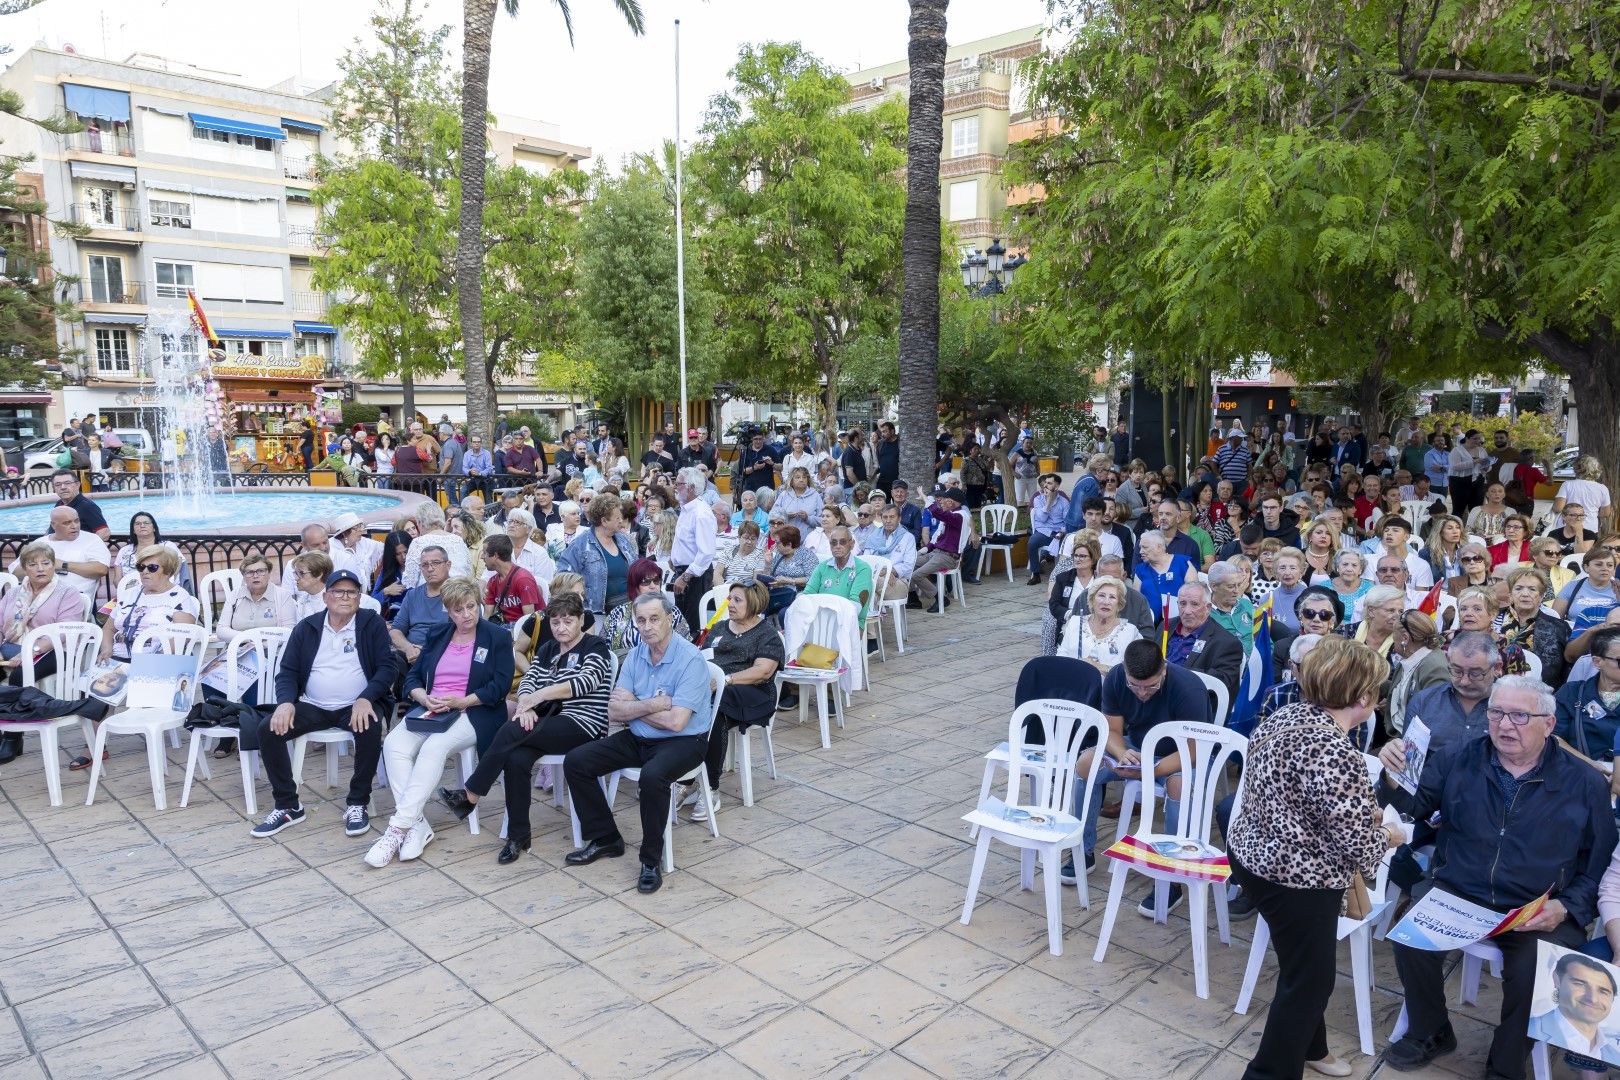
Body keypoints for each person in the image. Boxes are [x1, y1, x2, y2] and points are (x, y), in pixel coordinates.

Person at [1381, 677, 1617, 1077]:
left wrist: (1566, 906)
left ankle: (1505, 1064)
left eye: (1519, 716)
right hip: (1460, 889)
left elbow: (1597, 866)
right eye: (1496, 713)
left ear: (1549, 723)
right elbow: (1413, 809)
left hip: (1536, 906)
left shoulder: (1585, 783)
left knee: (1535, 972)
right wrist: (1394, 775)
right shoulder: (1458, 757)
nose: (1505, 725)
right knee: (1410, 935)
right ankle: (1431, 1029)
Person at [1227, 636, 1400, 1078]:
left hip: (1252, 856)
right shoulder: (1333, 749)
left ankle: (1314, 1048)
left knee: (1301, 966)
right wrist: (1390, 834)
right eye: (1377, 692)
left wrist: (1362, 814)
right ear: (1363, 697)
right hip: (1296, 879)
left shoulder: (1286, 715)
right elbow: (1360, 843)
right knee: (1310, 981)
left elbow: (1300, 799)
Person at [437, 591, 610, 862]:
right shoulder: (548, 649)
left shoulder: (595, 646)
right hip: (547, 722)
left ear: (580, 621)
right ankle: (518, 836)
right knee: (515, 757)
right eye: (555, 623)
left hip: (584, 723)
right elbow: (529, 681)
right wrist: (526, 704)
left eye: (568, 622)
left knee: (511, 731)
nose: (561, 628)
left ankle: (471, 794)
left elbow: (584, 683)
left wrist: (538, 697)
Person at [562, 591, 714, 894]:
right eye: (641, 620)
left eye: (654, 618)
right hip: (640, 737)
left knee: (653, 776)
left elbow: (676, 722)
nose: (647, 626)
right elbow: (615, 710)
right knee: (577, 761)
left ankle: (650, 860)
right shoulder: (636, 654)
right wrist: (654, 704)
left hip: (684, 742)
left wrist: (636, 706)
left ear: (670, 619)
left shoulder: (690, 660)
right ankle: (606, 838)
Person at [360, 578, 514, 867]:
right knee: (393, 744)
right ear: (448, 612)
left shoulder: (497, 637)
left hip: (473, 711)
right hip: (432, 709)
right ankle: (416, 826)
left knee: (434, 748)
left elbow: (500, 686)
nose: (466, 614)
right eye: (458, 610)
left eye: (471, 607)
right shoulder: (439, 634)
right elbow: (413, 677)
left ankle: (395, 831)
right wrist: (423, 696)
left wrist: (463, 701)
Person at [250, 570, 401, 839]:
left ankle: (357, 802)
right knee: (267, 729)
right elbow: (287, 672)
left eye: (352, 592)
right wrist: (285, 703)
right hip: (313, 704)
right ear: (326, 596)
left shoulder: (371, 623)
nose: (345, 597)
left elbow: (387, 668)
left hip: (357, 703)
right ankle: (288, 805)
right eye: (339, 591)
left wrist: (367, 697)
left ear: (359, 597)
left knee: (369, 726)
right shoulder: (307, 627)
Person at [1061, 639, 1209, 901]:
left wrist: (1149, 770)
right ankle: (1082, 850)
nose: (1141, 693)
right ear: (1125, 671)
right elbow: (1112, 731)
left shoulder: (1188, 689)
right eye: (1135, 686)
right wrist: (1122, 754)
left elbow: (1195, 751)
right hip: (1138, 747)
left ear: (1163, 669)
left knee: (1178, 785)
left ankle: (1170, 876)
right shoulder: (1118, 677)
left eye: (1150, 686)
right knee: (1085, 764)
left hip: (1179, 755)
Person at [692, 582, 784, 822]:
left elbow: (762, 672)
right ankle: (689, 778)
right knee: (699, 706)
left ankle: (709, 787)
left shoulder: (767, 635)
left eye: (737, 600)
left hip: (754, 693)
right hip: (715, 692)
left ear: (753, 604)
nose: (729, 604)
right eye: (730, 599)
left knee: (716, 706)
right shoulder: (719, 627)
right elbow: (699, 656)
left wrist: (726, 680)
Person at [1526, 953, 1620, 1068]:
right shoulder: (1531, 1026)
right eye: (1580, 984)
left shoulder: (1612, 1052)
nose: (1593, 999)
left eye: (1603, 991)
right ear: (1557, 980)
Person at [557, 492, 635, 617]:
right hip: (596, 613)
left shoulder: (624, 540)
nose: (622, 521)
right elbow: (563, 577)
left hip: (628, 609)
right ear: (604, 521)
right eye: (618, 518)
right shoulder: (579, 545)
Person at [1163, 581, 1245, 701]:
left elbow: (1222, 682)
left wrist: (1174, 672)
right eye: (1182, 604)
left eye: (1194, 604)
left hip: (1193, 700)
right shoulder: (1166, 626)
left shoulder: (1226, 643)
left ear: (1208, 608)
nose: (1187, 611)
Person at [23, 506, 110, 606]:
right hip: (37, 597)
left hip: (72, 600)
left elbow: (101, 569)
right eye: (67, 523)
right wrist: (42, 567)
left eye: (77, 521)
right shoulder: (40, 542)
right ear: (53, 525)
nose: (74, 526)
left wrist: (62, 565)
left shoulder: (91, 540)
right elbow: (16, 570)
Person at [668, 466, 717, 636]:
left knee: (692, 626)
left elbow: (706, 553)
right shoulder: (686, 509)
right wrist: (674, 559)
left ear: (691, 488)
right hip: (683, 572)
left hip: (695, 576)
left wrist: (686, 576)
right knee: (680, 624)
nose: (675, 486)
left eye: (679, 483)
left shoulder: (701, 513)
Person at [605, 558, 691, 654]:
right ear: (634, 586)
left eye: (656, 580)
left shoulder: (672, 612)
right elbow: (603, 649)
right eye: (646, 582)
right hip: (624, 666)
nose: (653, 586)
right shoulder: (618, 613)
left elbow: (686, 648)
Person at [910, 487, 971, 613]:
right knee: (908, 565)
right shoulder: (951, 516)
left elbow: (937, 512)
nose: (941, 502)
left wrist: (924, 497)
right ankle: (913, 599)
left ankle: (940, 599)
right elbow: (936, 539)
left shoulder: (959, 516)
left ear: (951, 502)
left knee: (916, 575)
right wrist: (924, 549)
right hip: (936, 553)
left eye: (944, 499)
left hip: (948, 557)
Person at [1060, 575, 1141, 671]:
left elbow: (1134, 671)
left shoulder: (1130, 632)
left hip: (1109, 685)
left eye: (1112, 597)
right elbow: (1061, 657)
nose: (1106, 602)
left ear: (1119, 604)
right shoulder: (1075, 623)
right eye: (1101, 595)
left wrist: (1099, 667)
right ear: (1092, 600)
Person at [388, 544, 452, 665]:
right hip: (410, 656)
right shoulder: (412, 595)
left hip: (444, 656)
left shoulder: (459, 593)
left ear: (448, 565)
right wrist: (409, 649)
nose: (430, 568)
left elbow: (466, 635)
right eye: (425, 565)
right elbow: (395, 631)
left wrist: (425, 652)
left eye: (436, 563)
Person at [401, 502, 472, 587]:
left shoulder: (418, 543)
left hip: (430, 595)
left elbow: (410, 582)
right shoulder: (458, 540)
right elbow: (468, 572)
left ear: (420, 522)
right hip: (460, 592)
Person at [1556, 546, 1620, 638]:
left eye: (1609, 565)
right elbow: (1555, 620)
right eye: (1599, 564)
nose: (1605, 568)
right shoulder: (1573, 586)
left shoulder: (1618, 589)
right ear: (1586, 567)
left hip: (1611, 640)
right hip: (1574, 638)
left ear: (1614, 569)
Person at [1133, 529, 1196, 622]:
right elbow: (1135, 600)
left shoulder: (1183, 563)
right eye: (1140, 548)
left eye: (1145, 547)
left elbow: (1194, 593)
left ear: (1159, 547)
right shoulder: (1140, 569)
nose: (1140, 551)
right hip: (1149, 624)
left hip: (1179, 622)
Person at [481, 534, 543, 626]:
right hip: (505, 629)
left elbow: (530, 621)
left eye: (485, 553)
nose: (482, 557)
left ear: (495, 556)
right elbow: (486, 615)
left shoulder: (523, 579)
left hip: (527, 631)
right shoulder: (493, 581)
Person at [1555, 455, 1614, 533]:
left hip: (1567, 528)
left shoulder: (1567, 485)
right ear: (1596, 470)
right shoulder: (1602, 488)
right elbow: (1605, 513)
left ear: (1577, 468)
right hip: (1590, 528)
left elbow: (1558, 508)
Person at [48, 469, 108, 539]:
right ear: (54, 488)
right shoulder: (59, 504)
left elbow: (104, 532)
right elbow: (52, 529)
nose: (63, 487)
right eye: (58, 484)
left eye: (67, 483)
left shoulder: (87, 506)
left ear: (77, 485)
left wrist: (84, 547)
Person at [371, 529, 414, 619]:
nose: (404, 557)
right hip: (394, 620)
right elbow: (372, 602)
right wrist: (386, 591)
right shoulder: (388, 571)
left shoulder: (421, 568)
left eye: (406, 552)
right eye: (398, 554)